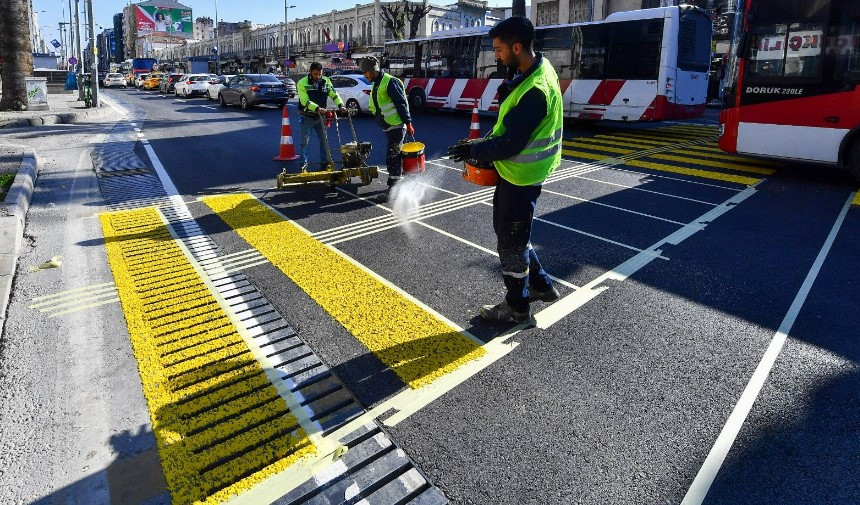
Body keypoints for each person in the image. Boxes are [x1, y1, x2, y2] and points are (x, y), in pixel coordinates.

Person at [446, 16, 563, 324]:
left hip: (520, 177)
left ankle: (517, 308)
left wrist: (473, 149)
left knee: (510, 242)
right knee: (515, 236)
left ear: (516, 47)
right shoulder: (539, 67)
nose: (495, 56)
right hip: (525, 172)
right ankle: (541, 286)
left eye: (498, 50)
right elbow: (509, 132)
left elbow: (510, 143)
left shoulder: (534, 91)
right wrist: (482, 144)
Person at [359, 56, 415, 203]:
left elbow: (401, 103)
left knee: (393, 158)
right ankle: (399, 185)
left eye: (365, 72)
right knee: (395, 157)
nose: (364, 75)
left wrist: (408, 122)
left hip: (396, 125)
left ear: (372, 71)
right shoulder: (377, 82)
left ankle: (393, 191)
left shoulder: (389, 82)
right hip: (389, 125)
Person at [296, 62, 347, 170]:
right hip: (307, 116)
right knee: (305, 142)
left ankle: (325, 163)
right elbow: (305, 101)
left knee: (325, 141)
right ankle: (303, 164)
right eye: (315, 74)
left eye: (320, 74)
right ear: (310, 72)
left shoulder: (326, 81)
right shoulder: (302, 83)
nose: (318, 76)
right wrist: (317, 108)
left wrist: (341, 105)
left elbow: (334, 94)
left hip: (320, 117)